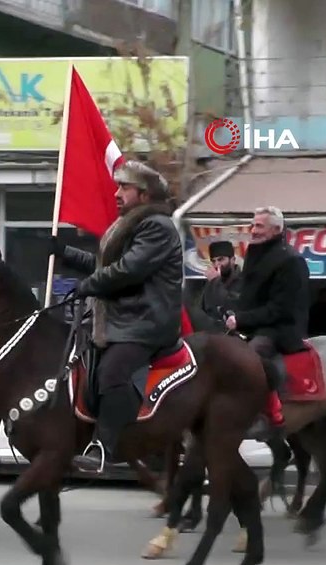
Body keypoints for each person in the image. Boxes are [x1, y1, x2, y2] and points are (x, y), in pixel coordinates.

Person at [50, 160, 183, 474]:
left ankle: (106, 447)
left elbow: (129, 270)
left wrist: (88, 286)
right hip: (121, 319)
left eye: (125, 187)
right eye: (118, 186)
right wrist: (64, 253)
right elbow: (104, 266)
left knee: (112, 371)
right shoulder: (131, 224)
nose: (117, 193)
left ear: (145, 195)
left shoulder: (157, 226)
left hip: (146, 322)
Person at [225, 206, 310, 439]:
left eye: (260, 226)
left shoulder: (291, 260)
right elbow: (250, 296)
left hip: (280, 330)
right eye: (253, 225)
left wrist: (242, 319)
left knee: (251, 360)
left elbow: (280, 308)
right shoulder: (255, 253)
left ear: (276, 229)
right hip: (252, 325)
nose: (253, 230)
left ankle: (267, 416)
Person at [199, 240, 242, 326]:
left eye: (221, 259)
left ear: (233, 260)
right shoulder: (211, 281)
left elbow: (230, 307)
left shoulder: (243, 280)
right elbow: (204, 309)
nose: (217, 265)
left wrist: (215, 281)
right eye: (213, 261)